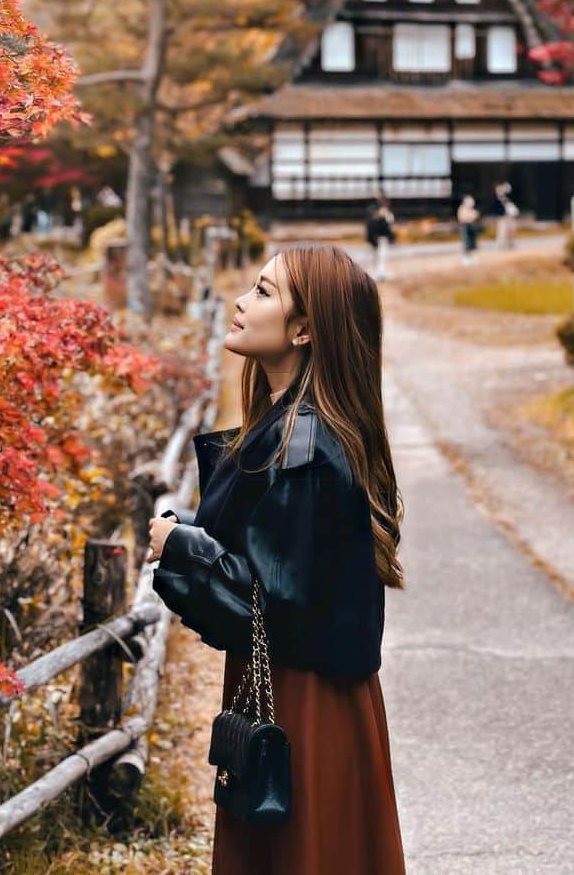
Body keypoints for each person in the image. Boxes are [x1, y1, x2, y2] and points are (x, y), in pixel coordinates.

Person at [146, 245, 406, 874]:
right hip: (302, 694)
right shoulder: (299, 429)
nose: (241, 301)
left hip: (303, 704)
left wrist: (176, 545)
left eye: (264, 292)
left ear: (305, 328)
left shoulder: (305, 447)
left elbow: (268, 600)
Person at [364, 195, 396, 282]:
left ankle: (380, 273)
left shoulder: (386, 214)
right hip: (376, 238)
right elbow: (371, 226)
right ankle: (378, 273)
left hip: (382, 238)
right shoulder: (373, 212)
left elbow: (389, 227)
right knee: (377, 256)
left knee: (381, 256)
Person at [457, 193, 481, 265]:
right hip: (465, 227)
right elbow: (463, 218)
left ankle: (473, 258)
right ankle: (466, 259)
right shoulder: (462, 208)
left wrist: (471, 217)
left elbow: (476, 215)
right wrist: (470, 218)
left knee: (473, 243)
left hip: (472, 227)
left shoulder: (472, 210)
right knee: (467, 243)